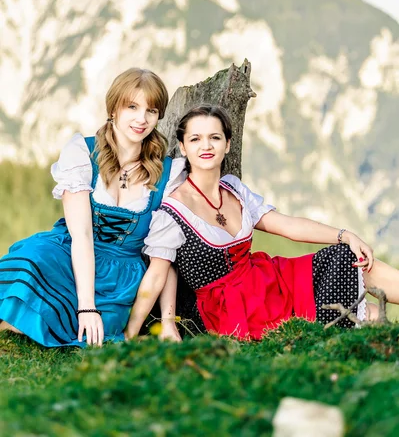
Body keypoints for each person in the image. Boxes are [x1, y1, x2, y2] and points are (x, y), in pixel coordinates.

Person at [124, 104, 399, 341]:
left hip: (269, 281)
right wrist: (134, 333)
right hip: (230, 310)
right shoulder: (172, 211)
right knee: (372, 316)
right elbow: (159, 273)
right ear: (183, 147)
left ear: (228, 144)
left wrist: (345, 234)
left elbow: (288, 226)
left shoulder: (233, 189)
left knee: (348, 255)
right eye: (195, 139)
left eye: (215, 138)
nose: (206, 146)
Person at [0, 68, 186, 347]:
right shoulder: (83, 154)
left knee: (95, 332)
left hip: (120, 273)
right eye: (132, 107)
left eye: (152, 110)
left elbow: (164, 258)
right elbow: (82, 237)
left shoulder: (169, 174)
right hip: (68, 252)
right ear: (113, 109)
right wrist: (86, 306)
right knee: (31, 263)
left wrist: (167, 321)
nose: (142, 119)